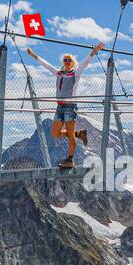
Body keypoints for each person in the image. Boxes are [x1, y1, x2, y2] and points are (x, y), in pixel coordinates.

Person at [26, 40, 105, 169]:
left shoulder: (75, 73)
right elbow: (46, 65)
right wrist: (33, 55)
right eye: (65, 60)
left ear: (73, 62)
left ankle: (70, 159)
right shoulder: (59, 73)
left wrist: (94, 51)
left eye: (69, 60)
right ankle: (79, 134)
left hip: (69, 107)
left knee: (69, 135)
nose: (67, 62)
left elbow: (85, 63)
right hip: (60, 107)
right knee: (55, 133)